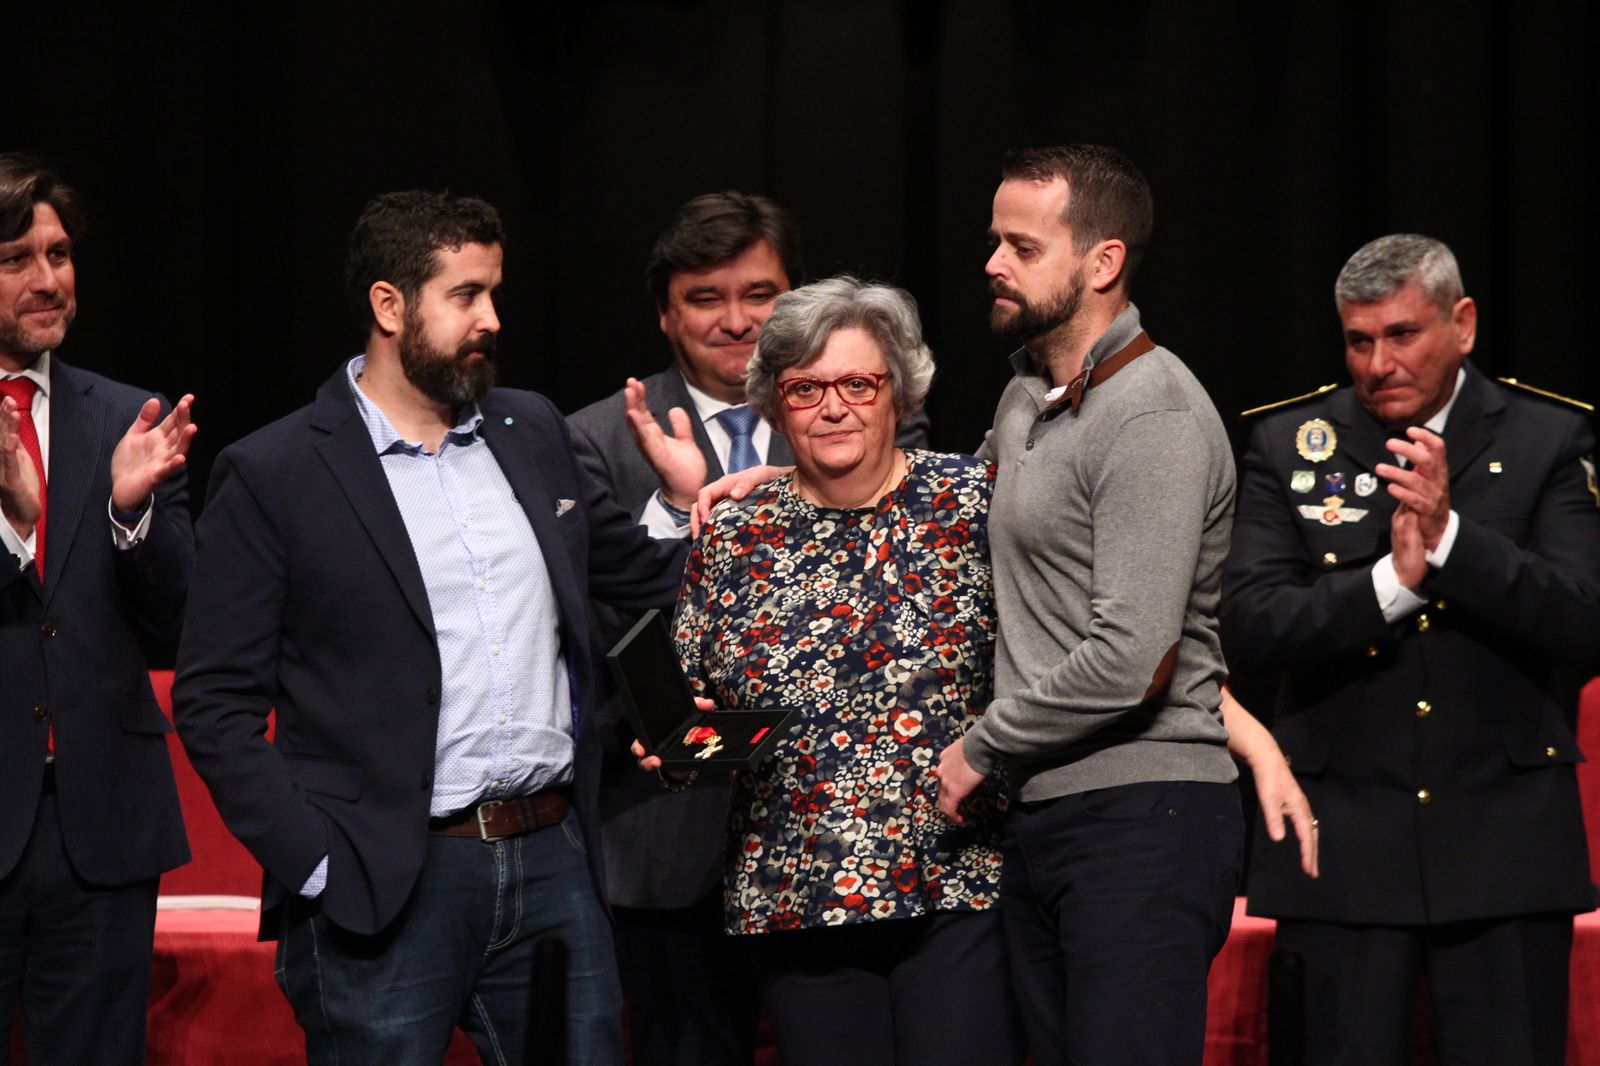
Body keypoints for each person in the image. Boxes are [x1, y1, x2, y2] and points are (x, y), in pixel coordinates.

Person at [173, 190, 687, 1065]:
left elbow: (641, 577)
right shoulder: (275, 472)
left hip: (553, 859)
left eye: (494, 292)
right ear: (388, 305)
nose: (492, 318)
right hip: (384, 880)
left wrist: (685, 505)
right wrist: (316, 864)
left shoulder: (532, 431)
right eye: (466, 295)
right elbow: (215, 702)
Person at [567, 192, 929, 1066]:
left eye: (758, 293)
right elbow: (607, 629)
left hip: (838, 843)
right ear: (664, 312)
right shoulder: (591, 442)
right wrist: (681, 509)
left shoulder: (872, 415)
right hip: (667, 842)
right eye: (704, 298)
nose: (736, 322)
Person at [1220, 233, 1600, 1066]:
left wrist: (1454, 540)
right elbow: (1247, 625)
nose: (1378, 362)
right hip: (1342, 842)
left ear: (1462, 324)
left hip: (1502, 844)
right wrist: (1391, 585)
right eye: (1359, 340)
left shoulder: (1548, 439)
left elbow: (1583, 620)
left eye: (1402, 334)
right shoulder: (1287, 446)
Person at [641, 275, 1024, 1066]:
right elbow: (693, 715)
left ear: (899, 392)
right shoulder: (734, 533)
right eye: (806, 388)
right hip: (798, 900)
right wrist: (676, 749)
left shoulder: (971, 500)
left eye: (857, 382)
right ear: (776, 405)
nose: (834, 406)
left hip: (956, 885)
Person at [932, 144, 1245, 1066]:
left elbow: (1131, 657)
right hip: (1047, 814)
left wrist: (980, 745)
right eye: (994, 240)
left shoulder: (1152, 415)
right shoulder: (1031, 392)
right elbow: (948, 505)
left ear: (1102, 262)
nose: (993, 262)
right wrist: (780, 485)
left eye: (1022, 247)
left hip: (1144, 817)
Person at [0, 153, 197, 1065]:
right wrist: (12, 533)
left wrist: (130, 517)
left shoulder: (131, 418)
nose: (49, 280)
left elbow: (176, 625)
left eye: (61, 254)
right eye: (16, 258)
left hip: (102, 825)